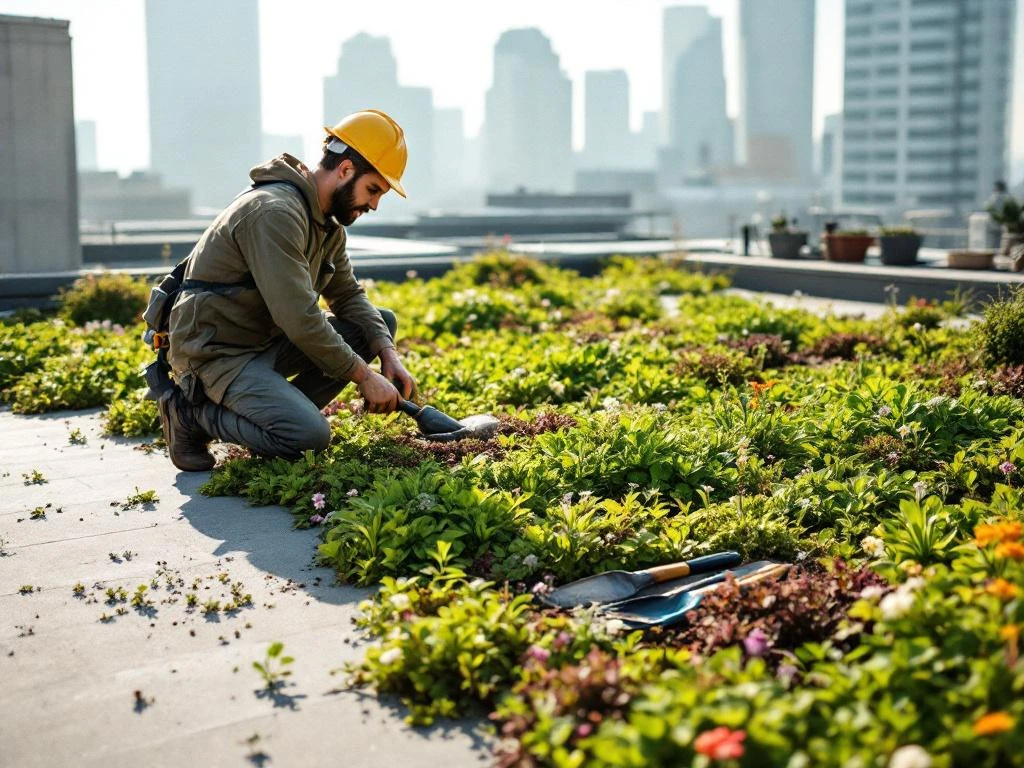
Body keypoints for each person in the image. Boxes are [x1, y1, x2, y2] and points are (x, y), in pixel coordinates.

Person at [158, 109, 416, 471]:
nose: (374, 205)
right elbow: (300, 318)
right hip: (217, 352)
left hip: (264, 343)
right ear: (345, 170)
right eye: (373, 189)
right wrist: (364, 376)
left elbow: (347, 296)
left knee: (377, 327)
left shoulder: (327, 225)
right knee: (309, 438)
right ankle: (191, 414)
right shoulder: (274, 213)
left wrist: (388, 355)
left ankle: (276, 415)